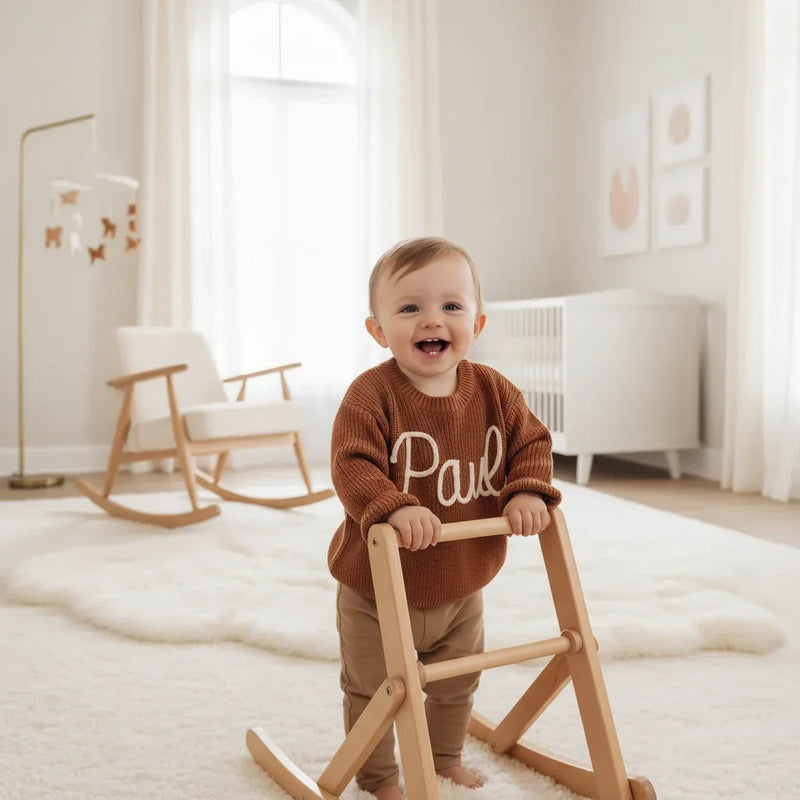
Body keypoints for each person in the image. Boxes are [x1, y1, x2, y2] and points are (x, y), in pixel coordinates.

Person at [328, 236, 562, 799]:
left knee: (457, 681)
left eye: (451, 306)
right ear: (378, 330)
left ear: (476, 323)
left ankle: (444, 756)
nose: (432, 320)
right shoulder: (370, 395)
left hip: (461, 579)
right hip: (376, 588)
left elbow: (531, 443)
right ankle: (377, 777)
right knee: (374, 687)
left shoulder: (496, 392)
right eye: (410, 308)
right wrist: (395, 506)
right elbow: (351, 464)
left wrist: (526, 491)